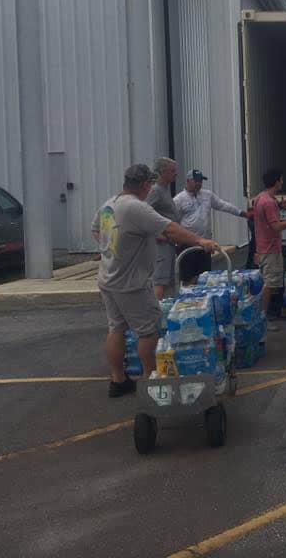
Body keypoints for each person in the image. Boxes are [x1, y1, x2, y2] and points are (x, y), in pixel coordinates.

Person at [91, 164, 218, 398]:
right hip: (131, 283)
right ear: (144, 185)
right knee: (148, 332)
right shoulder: (136, 207)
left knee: (116, 328)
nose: (150, 188)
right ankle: (152, 383)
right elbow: (171, 229)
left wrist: (115, 247)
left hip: (108, 277)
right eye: (149, 184)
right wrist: (200, 241)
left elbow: (96, 230)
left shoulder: (110, 203)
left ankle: (118, 380)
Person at [174, 169, 251, 282]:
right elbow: (174, 221)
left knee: (205, 276)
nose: (199, 183)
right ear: (188, 181)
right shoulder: (178, 199)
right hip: (187, 244)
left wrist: (243, 213)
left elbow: (223, 205)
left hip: (205, 243)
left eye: (201, 181)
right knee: (187, 278)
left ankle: (204, 298)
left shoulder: (207, 195)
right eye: (196, 181)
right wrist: (177, 240)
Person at [252, 168, 286, 330]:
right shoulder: (268, 202)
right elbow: (276, 227)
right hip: (270, 248)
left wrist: (280, 205)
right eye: (281, 180)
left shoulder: (262, 198)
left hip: (263, 246)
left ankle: (264, 313)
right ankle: (263, 318)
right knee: (269, 284)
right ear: (276, 182)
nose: (282, 182)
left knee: (269, 282)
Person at [146, 157, 180, 299]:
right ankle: (156, 313)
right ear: (163, 172)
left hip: (169, 243)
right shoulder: (155, 191)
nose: (175, 174)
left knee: (167, 281)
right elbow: (143, 212)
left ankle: (164, 313)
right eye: (172, 171)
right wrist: (157, 234)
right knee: (159, 281)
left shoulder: (164, 190)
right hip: (161, 245)